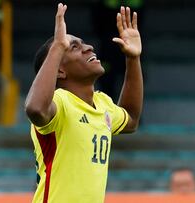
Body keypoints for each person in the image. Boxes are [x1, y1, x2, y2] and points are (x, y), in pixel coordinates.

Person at [25, 3, 143, 203]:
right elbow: (35, 109)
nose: (88, 47)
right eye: (74, 47)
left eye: (84, 43)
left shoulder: (102, 103)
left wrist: (133, 59)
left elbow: (130, 119)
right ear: (60, 71)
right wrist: (58, 46)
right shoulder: (61, 103)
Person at [92, 0, 144, 100]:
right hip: (108, 47)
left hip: (131, 44)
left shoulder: (136, 4)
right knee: (107, 82)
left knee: (133, 79)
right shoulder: (105, 4)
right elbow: (97, 24)